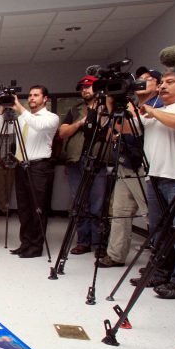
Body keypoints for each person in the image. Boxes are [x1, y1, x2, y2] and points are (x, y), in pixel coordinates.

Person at [99, 68, 162, 268]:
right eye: (139, 80)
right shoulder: (133, 106)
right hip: (125, 164)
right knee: (120, 212)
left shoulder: (158, 106)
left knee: (152, 215)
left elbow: (137, 127)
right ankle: (116, 255)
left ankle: (161, 261)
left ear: (158, 85)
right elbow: (115, 129)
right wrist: (111, 103)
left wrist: (121, 100)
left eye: (147, 80)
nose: (141, 83)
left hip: (144, 168)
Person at [137, 69, 175, 298]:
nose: (163, 87)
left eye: (171, 82)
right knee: (158, 229)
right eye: (163, 83)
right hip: (155, 176)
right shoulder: (158, 110)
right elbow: (126, 128)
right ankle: (160, 272)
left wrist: (151, 110)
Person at [0, 86, 59, 258]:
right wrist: (1, 112)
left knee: (38, 208)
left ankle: (36, 247)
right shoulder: (23, 117)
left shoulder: (51, 118)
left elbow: (38, 126)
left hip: (39, 167)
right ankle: (25, 243)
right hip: (21, 166)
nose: (31, 98)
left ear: (45, 98)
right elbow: (3, 129)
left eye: (36, 95)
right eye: (30, 95)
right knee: (24, 208)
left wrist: (19, 107)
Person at [57, 76, 107, 257]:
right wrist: (81, 122)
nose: (85, 90)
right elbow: (63, 132)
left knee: (98, 204)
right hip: (75, 161)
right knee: (79, 203)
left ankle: (100, 243)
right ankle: (83, 241)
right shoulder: (75, 109)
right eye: (82, 88)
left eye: (88, 87)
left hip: (98, 161)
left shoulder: (108, 107)